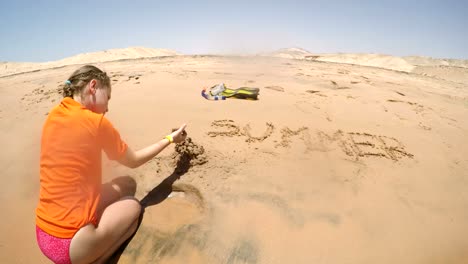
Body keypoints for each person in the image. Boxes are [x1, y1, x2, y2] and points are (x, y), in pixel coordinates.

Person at [35, 65, 187, 264]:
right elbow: (134, 160)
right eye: (107, 98)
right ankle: (97, 259)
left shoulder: (54, 115)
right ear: (93, 86)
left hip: (42, 233)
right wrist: (169, 139)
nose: (107, 107)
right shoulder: (95, 121)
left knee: (127, 185)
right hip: (70, 244)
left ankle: (93, 240)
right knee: (133, 208)